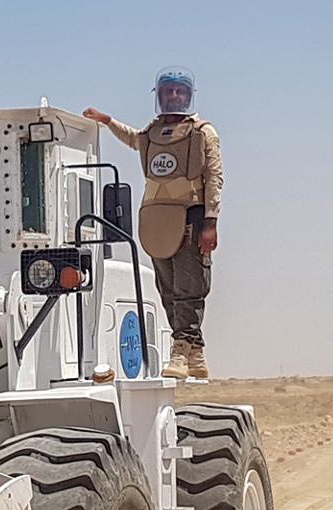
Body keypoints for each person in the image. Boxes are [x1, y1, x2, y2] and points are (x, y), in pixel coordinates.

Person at [83, 66, 222, 380]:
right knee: (167, 289)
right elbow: (134, 139)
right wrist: (107, 122)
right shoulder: (152, 133)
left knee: (190, 287)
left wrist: (211, 220)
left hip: (191, 216)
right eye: (168, 91)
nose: (173, 96)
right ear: (159, 96)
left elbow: (214, 177)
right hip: (156, 219)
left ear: (188, 96)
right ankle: (194, 353)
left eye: (179, 91)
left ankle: (181, 349)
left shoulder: (202, 132)